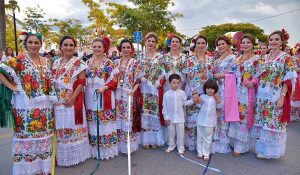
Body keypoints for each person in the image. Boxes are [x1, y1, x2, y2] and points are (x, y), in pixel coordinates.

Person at [0, 33, 57, 175]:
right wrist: (12, 87)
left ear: (41, 44)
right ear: (26, 44)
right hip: (25, 108)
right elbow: (1, 70)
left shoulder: (46, 60)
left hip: (45, 108)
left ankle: (42, 169)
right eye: (30, 42)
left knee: (44, 138)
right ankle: (26, 170)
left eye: (36, 42)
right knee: (26, 139)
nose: (33, 45)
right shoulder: (19, 59)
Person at [253, 30, 297, 159]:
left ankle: (270, 152)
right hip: (262, 94)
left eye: (276, 39)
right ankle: (262, 149)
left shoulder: (286, 58)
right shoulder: (264, 57)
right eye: (271, 39)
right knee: (263, 121)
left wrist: (282, 97)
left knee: (273, 122)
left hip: (275, 94)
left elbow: (288, 80)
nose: (273, 41)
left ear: (281, 42)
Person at [52, 36, 91, 166]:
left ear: (74, 47)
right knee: (62, 128)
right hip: (58, 102)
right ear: (61, 47)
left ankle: (76, 157)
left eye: (71, 45)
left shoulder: (79, 63)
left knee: (73, 127)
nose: (68, 47)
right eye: (65, 45)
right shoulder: (55, 63)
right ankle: (63, 157)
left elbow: (81, 82)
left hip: (72, 100)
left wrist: (73, 98)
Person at [85, 38, 119, 160]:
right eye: (94, 46)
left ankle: (107, 150)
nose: (97, 49)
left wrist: (104, 87)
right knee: (93, 122)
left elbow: (115, 81)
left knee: (104, 123)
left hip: (104, 96)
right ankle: (95, 150)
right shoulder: (87, 62)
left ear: (104, 49)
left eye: (99, 46)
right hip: (90, 96)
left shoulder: (109, 63)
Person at [228, 34, 260, 156]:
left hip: (247, 92)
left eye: (248, 42)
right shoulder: (238, 58)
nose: (245, 44)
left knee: (244, 116)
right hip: (235, 90)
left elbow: (260, 76)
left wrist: (252, 82)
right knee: (236, 115)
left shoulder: (257, 59)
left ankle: (241, 145)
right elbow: (232, 72)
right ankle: (235, 141)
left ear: (252, 44)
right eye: (243, 42)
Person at [136, 32, 166, 149]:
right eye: (149, 41)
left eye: (153, 41)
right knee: (144, 111)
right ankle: (146, 139)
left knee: (154, 111)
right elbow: (136, 70)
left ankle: (154, 140)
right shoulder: (139, 56)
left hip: (154, 88)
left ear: (156, 44)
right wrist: (142, 78)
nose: (151, 43)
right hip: (143, 86)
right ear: (145, 42)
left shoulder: (160, 57)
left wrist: (157, 82)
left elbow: (164, 72)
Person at [184, 35, 213, 151]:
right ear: (195, 45)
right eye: (198, 43)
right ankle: (192, 142)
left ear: (206, 45)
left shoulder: (210, 59)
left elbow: (212, 76)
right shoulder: (190, 59)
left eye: (203, 43)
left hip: (207, 93)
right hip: (193, 91)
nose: (201, 45)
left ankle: (202, 145)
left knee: (204, 118)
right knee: (193, 117)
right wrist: (194, 92)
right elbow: (189, 76)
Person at [114, 39, 141, 154]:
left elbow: (138, 79)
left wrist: (133, 91)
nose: (125, 50)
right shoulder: (115, 62)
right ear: (120, 49)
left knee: (128, 118)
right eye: (123, 47)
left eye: (128, 47)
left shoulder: (135, 62)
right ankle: (120, 145)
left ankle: (129, 146)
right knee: (118, 118)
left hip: (129, 94)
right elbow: (112, 78)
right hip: (117, 94)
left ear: (131, 49)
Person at [211, 35, 235, 153]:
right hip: (217, 89)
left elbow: (235, 74)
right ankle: (216, 141)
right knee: (217, 113)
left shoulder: (233, 58)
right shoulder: (216, 60)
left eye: (223, 44)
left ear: (228, 45)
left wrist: (221, 75)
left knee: (224, 114)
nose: (221, 46)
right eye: (219, 44)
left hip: (226, 89)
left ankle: (223, 142)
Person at [163, 74, 193, 155]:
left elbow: (184, 103)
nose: (176, 84)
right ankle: (171, 146)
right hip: (170, 118)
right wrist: (166, 117)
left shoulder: (182, 93)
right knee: (171, 133)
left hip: (180, 118)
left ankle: (180, 148)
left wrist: (193, 100)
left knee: (180, 134)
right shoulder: (166, 94)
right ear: (170, 83)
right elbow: (164, 106)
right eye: (174, 83)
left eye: (178, 83)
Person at [193, 79, 221, 161]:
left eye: (212, 89)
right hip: (201, 120)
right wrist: (196, 96)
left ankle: (206, 153)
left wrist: (217, 98)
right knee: (200, 136)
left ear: (215, 90)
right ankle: (199, 152)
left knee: (208, 138)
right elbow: (198, 102)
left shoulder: (215, 98)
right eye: (208, 88)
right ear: (205, 89)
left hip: (210, 121)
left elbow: (219, 106)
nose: (210, 90)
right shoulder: (202, 96)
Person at [291, 46, 300, 121]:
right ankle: (292, 114)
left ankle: (296, 114)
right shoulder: (294, 59)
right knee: (295, 97)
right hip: (297, 79)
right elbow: (294, 68)